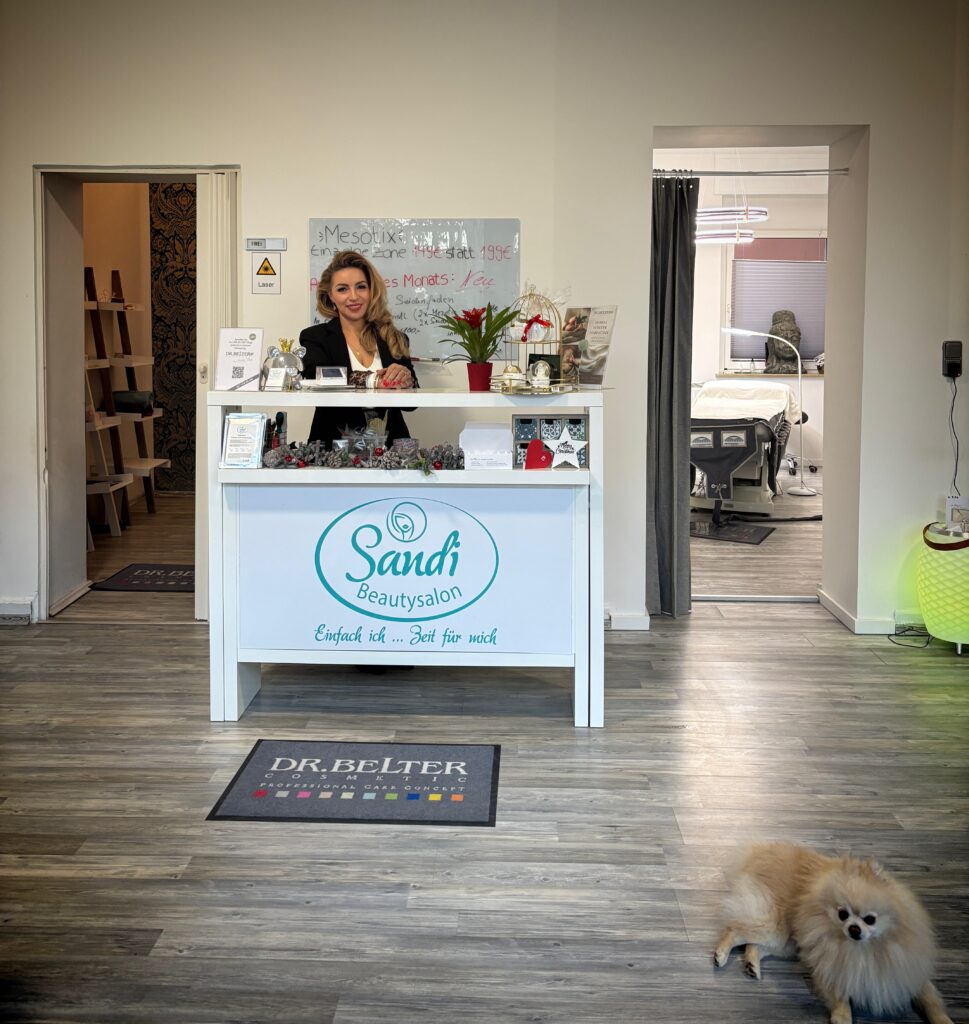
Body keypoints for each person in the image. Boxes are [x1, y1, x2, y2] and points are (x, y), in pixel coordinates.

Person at [300, 250, 417, 445]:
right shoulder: (315, 337)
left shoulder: (395, 338)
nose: (353, 296)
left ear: (371, 291)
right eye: (342, 289)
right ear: (331, 296)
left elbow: (411, 405)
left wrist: (405, 379)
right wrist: (375, 381)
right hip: (334, 448)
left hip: (390, 450)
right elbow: (320, 377)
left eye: (361, 287)